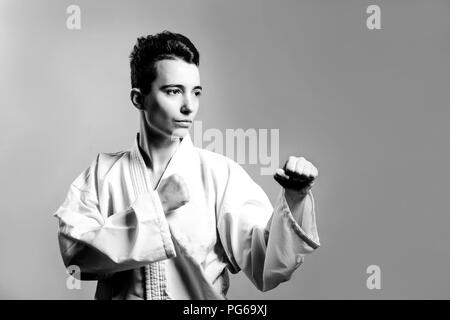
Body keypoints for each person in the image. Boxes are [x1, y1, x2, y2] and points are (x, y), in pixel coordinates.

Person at [53, 30, 320, 300]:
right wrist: (157, 208)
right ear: (139, 98)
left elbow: (267, 267)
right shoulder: (103, 174)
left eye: (196, 92)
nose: (189, 106)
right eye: (173, 91)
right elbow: (77, 259)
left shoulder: (220, 175)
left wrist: (295, 198)